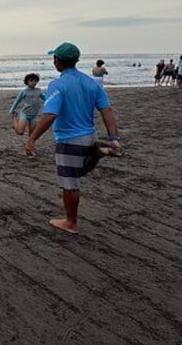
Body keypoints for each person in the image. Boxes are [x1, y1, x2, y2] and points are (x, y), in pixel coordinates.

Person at [24, 42, 122, 235]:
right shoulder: (91, 83)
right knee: (78, 170)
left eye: (55, 59)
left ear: (58, 61)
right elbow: (106, 110)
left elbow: (50, 115)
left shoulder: (58, 85)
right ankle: (99, 149)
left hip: (69, 140)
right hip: (89, 135)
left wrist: (32, 138)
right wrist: (114, 137)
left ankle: (70, 222)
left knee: (70, 183)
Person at [9, 73, 46, 138]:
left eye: (35, 80)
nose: (33, 82)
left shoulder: (39, 90)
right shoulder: (24, 91)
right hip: (25, 114)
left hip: (35, 115)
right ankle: (14, 119)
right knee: (20, 132)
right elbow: (17, 101)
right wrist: (12, 110)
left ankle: (29, 146)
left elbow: (46, 100)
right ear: (27, 82)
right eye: (31, 81)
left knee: (32, 135)